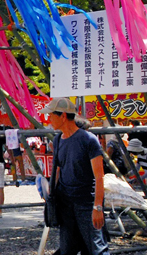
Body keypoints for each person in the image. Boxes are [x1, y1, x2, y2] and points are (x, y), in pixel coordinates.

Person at [45, 98, 109, 255]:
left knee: (96, 249)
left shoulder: (88, 140)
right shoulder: (58, 139)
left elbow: (99, 176)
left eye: (51, 115)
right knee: (68, 249)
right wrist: (49, 191)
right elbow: (59, 170)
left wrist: (97, 207)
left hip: (87, 203)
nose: (48, 118)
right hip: (66, 203)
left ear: (63, 116)